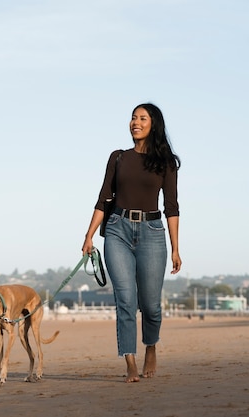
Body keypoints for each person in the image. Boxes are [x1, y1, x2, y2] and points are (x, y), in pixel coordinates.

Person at [81, 102, 182, 383]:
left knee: (150, 305)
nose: (135, 122)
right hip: (117, 230)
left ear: (154, 124)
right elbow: (103, 199)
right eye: (133, 117)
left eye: (142, 118)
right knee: (125, 300)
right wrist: (89, 235)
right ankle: (130, 360)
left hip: (152, 231)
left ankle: (150, 346)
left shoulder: (166, 162)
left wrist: (175, 247)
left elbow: (172, 207)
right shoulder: (118, 158)